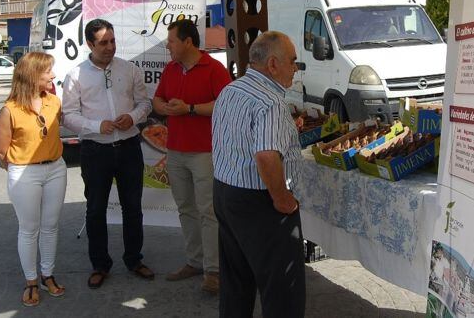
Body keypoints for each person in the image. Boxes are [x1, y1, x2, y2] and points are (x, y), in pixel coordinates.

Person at [212, 31, 305, 317]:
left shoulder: (232, 89)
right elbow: (266, 156)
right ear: (274, 64)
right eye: (293, 61)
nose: (296, 67)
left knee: (236, 281)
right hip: (258, 201)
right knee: (282, 290)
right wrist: (282, 199)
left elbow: (240, 138)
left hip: (226, 192)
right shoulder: (271, 102)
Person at [62, 18, 153, 289]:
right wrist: (95, 125)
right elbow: (68, 116)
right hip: (94, 151)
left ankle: (134, 259)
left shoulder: (129, 69)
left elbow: (145, 103)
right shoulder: (76, 75)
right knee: (95, 210)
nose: (110, 47)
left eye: (112, 41)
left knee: (133, 208)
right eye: (103, 42)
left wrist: (134, 117)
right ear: (89, 44)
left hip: (128, 148)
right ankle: (100, 265)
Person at [153, 20, 231, 294]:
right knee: (186, 209)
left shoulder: (214, 68)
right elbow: (157, 99)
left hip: (205, 152)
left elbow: (226, 104)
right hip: (175, 151)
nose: (168, 45)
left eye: (172, 40)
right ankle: (194, 262)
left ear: (188, 42)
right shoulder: (171, 68)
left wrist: (190, 109)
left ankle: (214, 270)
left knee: (208, 211)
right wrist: (162, 106)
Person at [0, 52, 67, 307]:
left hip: (56, 169)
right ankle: (31, 281)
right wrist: (20, 173)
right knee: (29, 229)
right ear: (32, 75)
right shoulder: (10, 110)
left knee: (51, 225)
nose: (53, 76)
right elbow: (2, 153)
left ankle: (48, 275)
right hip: (24, 172)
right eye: (48, 71)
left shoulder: (54, 102)